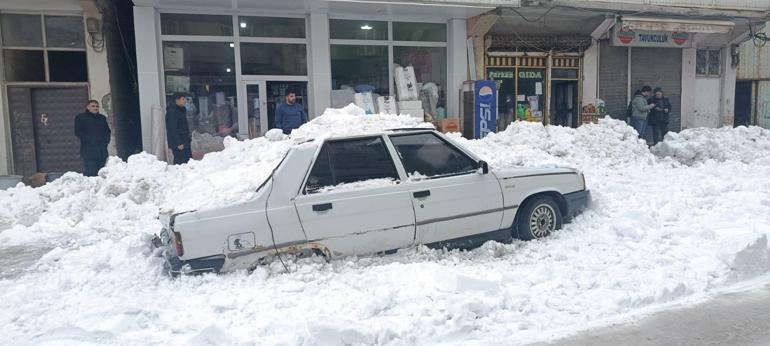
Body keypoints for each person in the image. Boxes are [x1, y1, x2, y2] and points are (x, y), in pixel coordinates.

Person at [74, 100, 111, 177]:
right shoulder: (80, 118)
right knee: (91, 172)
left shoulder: (102, 118)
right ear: (88, 107)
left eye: (97, 106)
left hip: (102, 151)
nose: (95, 108)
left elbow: (107, 131)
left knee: (102, 173)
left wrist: (105, 142)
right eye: (93, 106)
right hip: (88, 151)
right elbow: (78, 132)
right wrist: (89, 140)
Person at [166, 92, 192, 165]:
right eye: (183, 99)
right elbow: (173, 129)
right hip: (179, 143)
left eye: (185, 99)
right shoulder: (172, 112)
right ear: (177, 100)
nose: (185, 101)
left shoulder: (180, 110)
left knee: (188, 161)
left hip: (185, 140)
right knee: (180, 162)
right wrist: (179, 142)